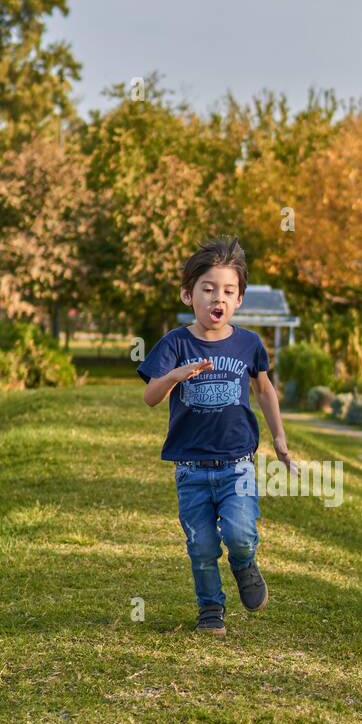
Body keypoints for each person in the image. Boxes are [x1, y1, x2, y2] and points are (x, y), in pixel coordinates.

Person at [137, 235, 293, 636]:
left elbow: (264, 388)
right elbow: (151, 397)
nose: (217, 298)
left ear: (239, 299)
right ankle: (210, 610)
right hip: (190, 470)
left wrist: (279, 438)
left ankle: (244, 563)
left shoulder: (248, 343)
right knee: (202, 547)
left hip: (236, 464)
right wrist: (173, 375)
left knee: (240, 534)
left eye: (227, 290)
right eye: (207, 289)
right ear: (189, 295)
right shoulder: (175, 343)